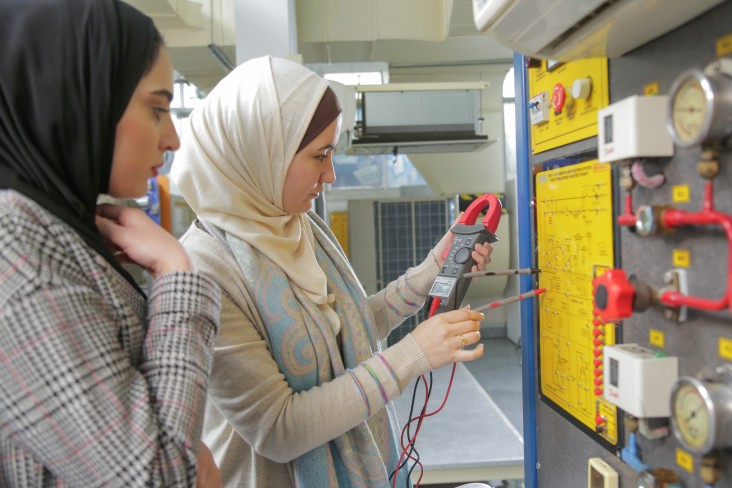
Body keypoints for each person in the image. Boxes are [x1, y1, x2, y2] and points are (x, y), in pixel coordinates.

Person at [171, 55, 493, 487]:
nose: (331, 174)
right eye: (319, 156)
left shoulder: (299, 225)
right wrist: (412, 355)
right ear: (262, 152)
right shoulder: (201, 269)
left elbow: (350, 329)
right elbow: (279, 429)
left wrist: (431, 271)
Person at [0, 1, 222, 486]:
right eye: (157, 108)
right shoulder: (17, 261)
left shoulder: (59, 227)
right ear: (77, 96)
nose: (173, 139)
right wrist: (176, 275)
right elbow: (156, 475)